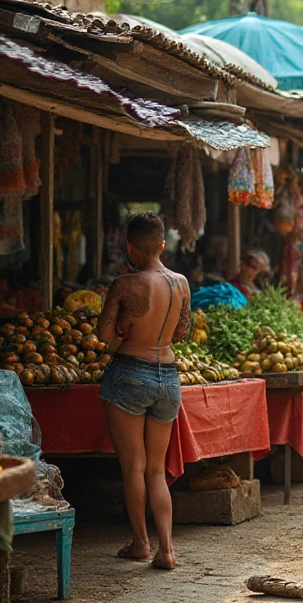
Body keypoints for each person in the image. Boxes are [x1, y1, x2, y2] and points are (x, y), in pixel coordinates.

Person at [96, 212, 191, 570]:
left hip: (130, 373)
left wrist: (122, 328)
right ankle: (167, 550)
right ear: (163, 245)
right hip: (169, 376)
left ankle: (140, 542)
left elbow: (104, 337)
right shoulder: (181, 283)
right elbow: (181, 333)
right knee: (155, 469)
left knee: (133, 467)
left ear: (129, 247)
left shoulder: (126, 284)